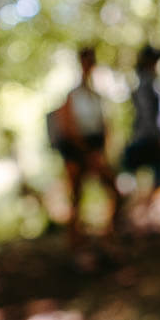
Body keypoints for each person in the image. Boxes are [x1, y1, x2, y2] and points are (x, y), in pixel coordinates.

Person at [51, 46, 121, 249]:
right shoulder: (73, 96)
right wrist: (86, 152)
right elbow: (67, 127)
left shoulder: (95, 96)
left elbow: (105, 126)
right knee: (76, 198)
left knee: (112, 191)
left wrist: (101, 152)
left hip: (94, 151)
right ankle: (76, 243)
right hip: (76, 152)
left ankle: (108, 236)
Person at [121, 45, 160, 218]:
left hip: (144, 138)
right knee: (152, 177)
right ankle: (138, 213)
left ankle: (140, 213)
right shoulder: (148, 84)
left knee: (147, 177)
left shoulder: (144, 83)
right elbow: (149, 114)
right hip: (148, 139)